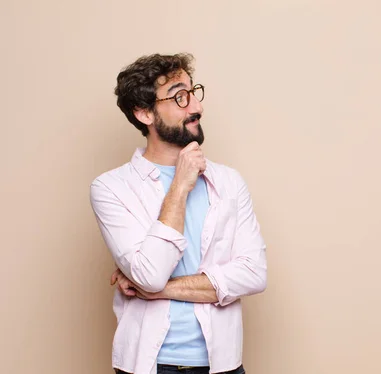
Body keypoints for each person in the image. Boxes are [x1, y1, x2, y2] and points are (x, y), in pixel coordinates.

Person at [89, 53, 267, 374]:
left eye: (194, 93)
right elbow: (151, 274)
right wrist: (180, 185)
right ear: (144, 113)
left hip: (222, 364)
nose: (196, 107)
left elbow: (254, 274)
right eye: (180, 97)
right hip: (148, 364)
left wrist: (153, 289)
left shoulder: (228, 182)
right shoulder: (111, 188)